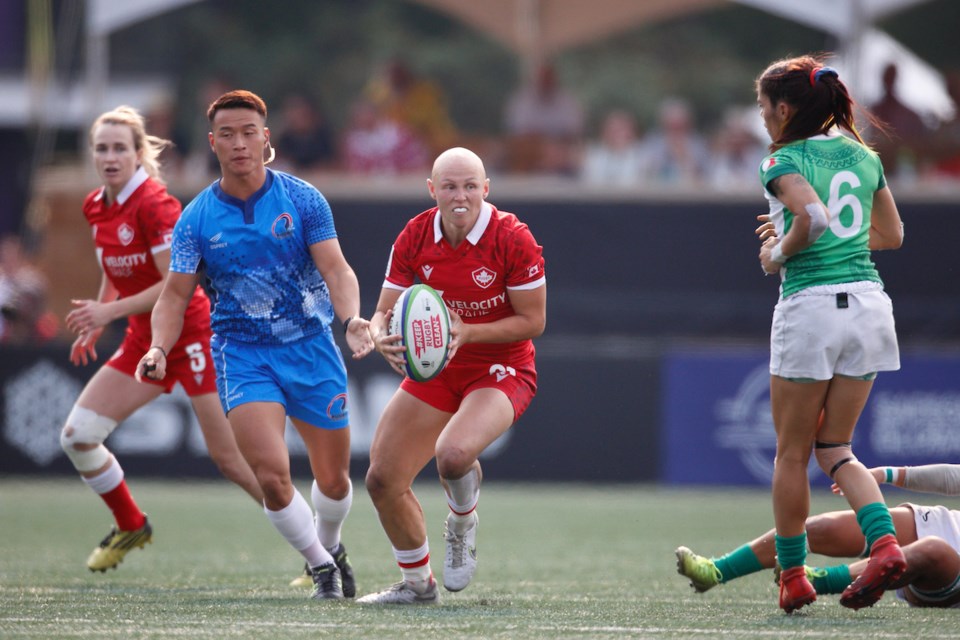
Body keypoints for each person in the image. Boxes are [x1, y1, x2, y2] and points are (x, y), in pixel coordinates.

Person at [136, 90, 374, 600]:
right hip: (242, 354)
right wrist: (158, 348)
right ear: (213, 143)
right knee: (271, 475)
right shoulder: (196, 219)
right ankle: (321, 569)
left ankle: (330, 545)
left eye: (249, 132)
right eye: (228, 134)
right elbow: (173, 298)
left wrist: (353, 318)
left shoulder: (303, 198)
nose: (239, 143)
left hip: (312, 347)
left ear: (266, 138)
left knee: (333, 481)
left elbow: (336, 268)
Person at [59, 106, 264, 574]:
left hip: (192, 334)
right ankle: (131, 523)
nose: (110, 157)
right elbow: (116, 268)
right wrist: (98, 314)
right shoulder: (97, 204)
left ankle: (318, 548)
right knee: (78, 436)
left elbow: (177, 284)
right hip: (143, 340)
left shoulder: (154, 204)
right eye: (101, 148)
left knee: (231, 461)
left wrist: (107, 311)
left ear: (137, 154)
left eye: (119, 148)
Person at [356, 147, 546, 605]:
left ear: (486, 188)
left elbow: (534, 320)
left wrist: (468, 331)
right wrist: (379, 334)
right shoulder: (416, 234)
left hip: (501, 367)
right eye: (449, 186)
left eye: (469, 186)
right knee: (382, 478)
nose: (460, 196)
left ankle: (462, 521)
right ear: (432, 190)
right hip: (437, 367)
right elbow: (384, 310)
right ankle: (417, 586)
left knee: (453, 455)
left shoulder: (512, 237)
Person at [754, 55, 906, 613]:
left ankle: (793, 576)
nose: (762, 117)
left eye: (764, 107)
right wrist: (814, 230)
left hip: (812, 306)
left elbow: (814, 218)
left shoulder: (781, 159)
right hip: (869, 304)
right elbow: (890, 234)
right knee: (835, 447)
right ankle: (886, 543)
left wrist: (778, 251)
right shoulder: (863, 155)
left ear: (785, 108)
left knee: (792, 455)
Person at [676, 464, 960, 608]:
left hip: (952, 567)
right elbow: (954, 478)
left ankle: (821, 581)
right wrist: (887, 474)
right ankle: (715, 571)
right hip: (948, 524)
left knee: (930, 550)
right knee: (817, 529)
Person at [503, 62, 584, 175]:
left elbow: (574, 132)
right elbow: (518, 134)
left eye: (548, 79)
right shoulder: (522, 101)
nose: (545, 82)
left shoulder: (567, 102)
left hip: (562, 159)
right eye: (542, 79)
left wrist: (554, 149)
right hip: (529, 160)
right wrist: (541, 148)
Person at [866, 63, 929, 180]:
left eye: (891, 78)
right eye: (887, 78)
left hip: (904, 169)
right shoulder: (875, 110)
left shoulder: (908, 114)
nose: (889, 82)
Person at [637, 97, 710, 186]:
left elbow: (705, 173)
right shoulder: (653, 142)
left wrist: (683, 156)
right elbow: (645, 169)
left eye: (679, 126)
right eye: (671, 126)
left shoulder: (697, 144)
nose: (675, 130)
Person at [579, 109, 647, 187]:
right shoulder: (592, 157)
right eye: (613, 130)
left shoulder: (643, 158)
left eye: (622, 129)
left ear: (631, 132)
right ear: (604, 132)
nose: (617, 134)